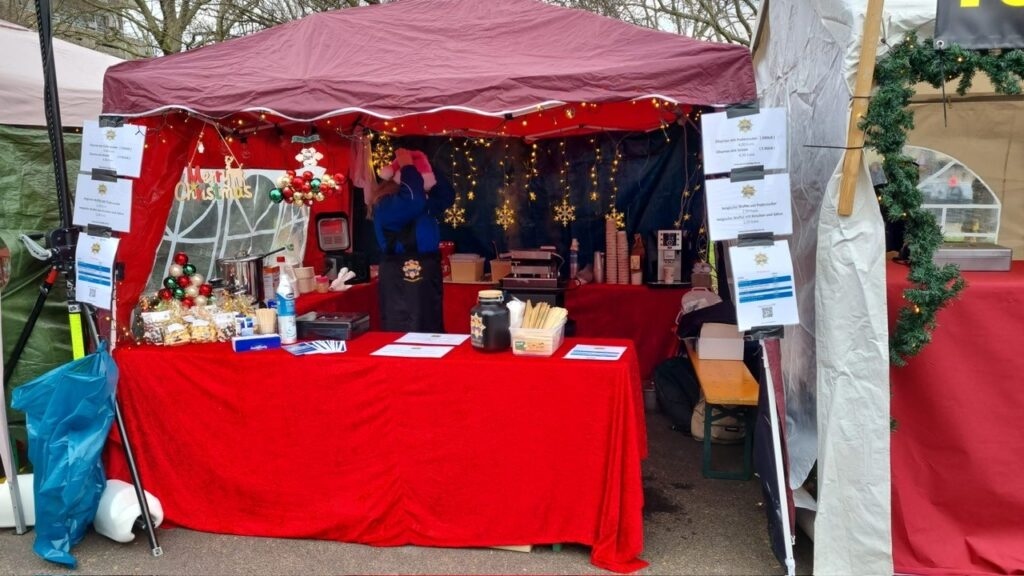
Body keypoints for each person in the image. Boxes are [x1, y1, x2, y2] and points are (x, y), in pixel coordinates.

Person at [370, 148, 454, 333]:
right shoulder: (389, 203)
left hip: (427, 271)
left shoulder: (422, 201)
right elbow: (413, 200)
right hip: (402, 277)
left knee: (430, 325)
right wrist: (408, 165)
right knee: (408, 328)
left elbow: (446, 196)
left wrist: (424, 163)